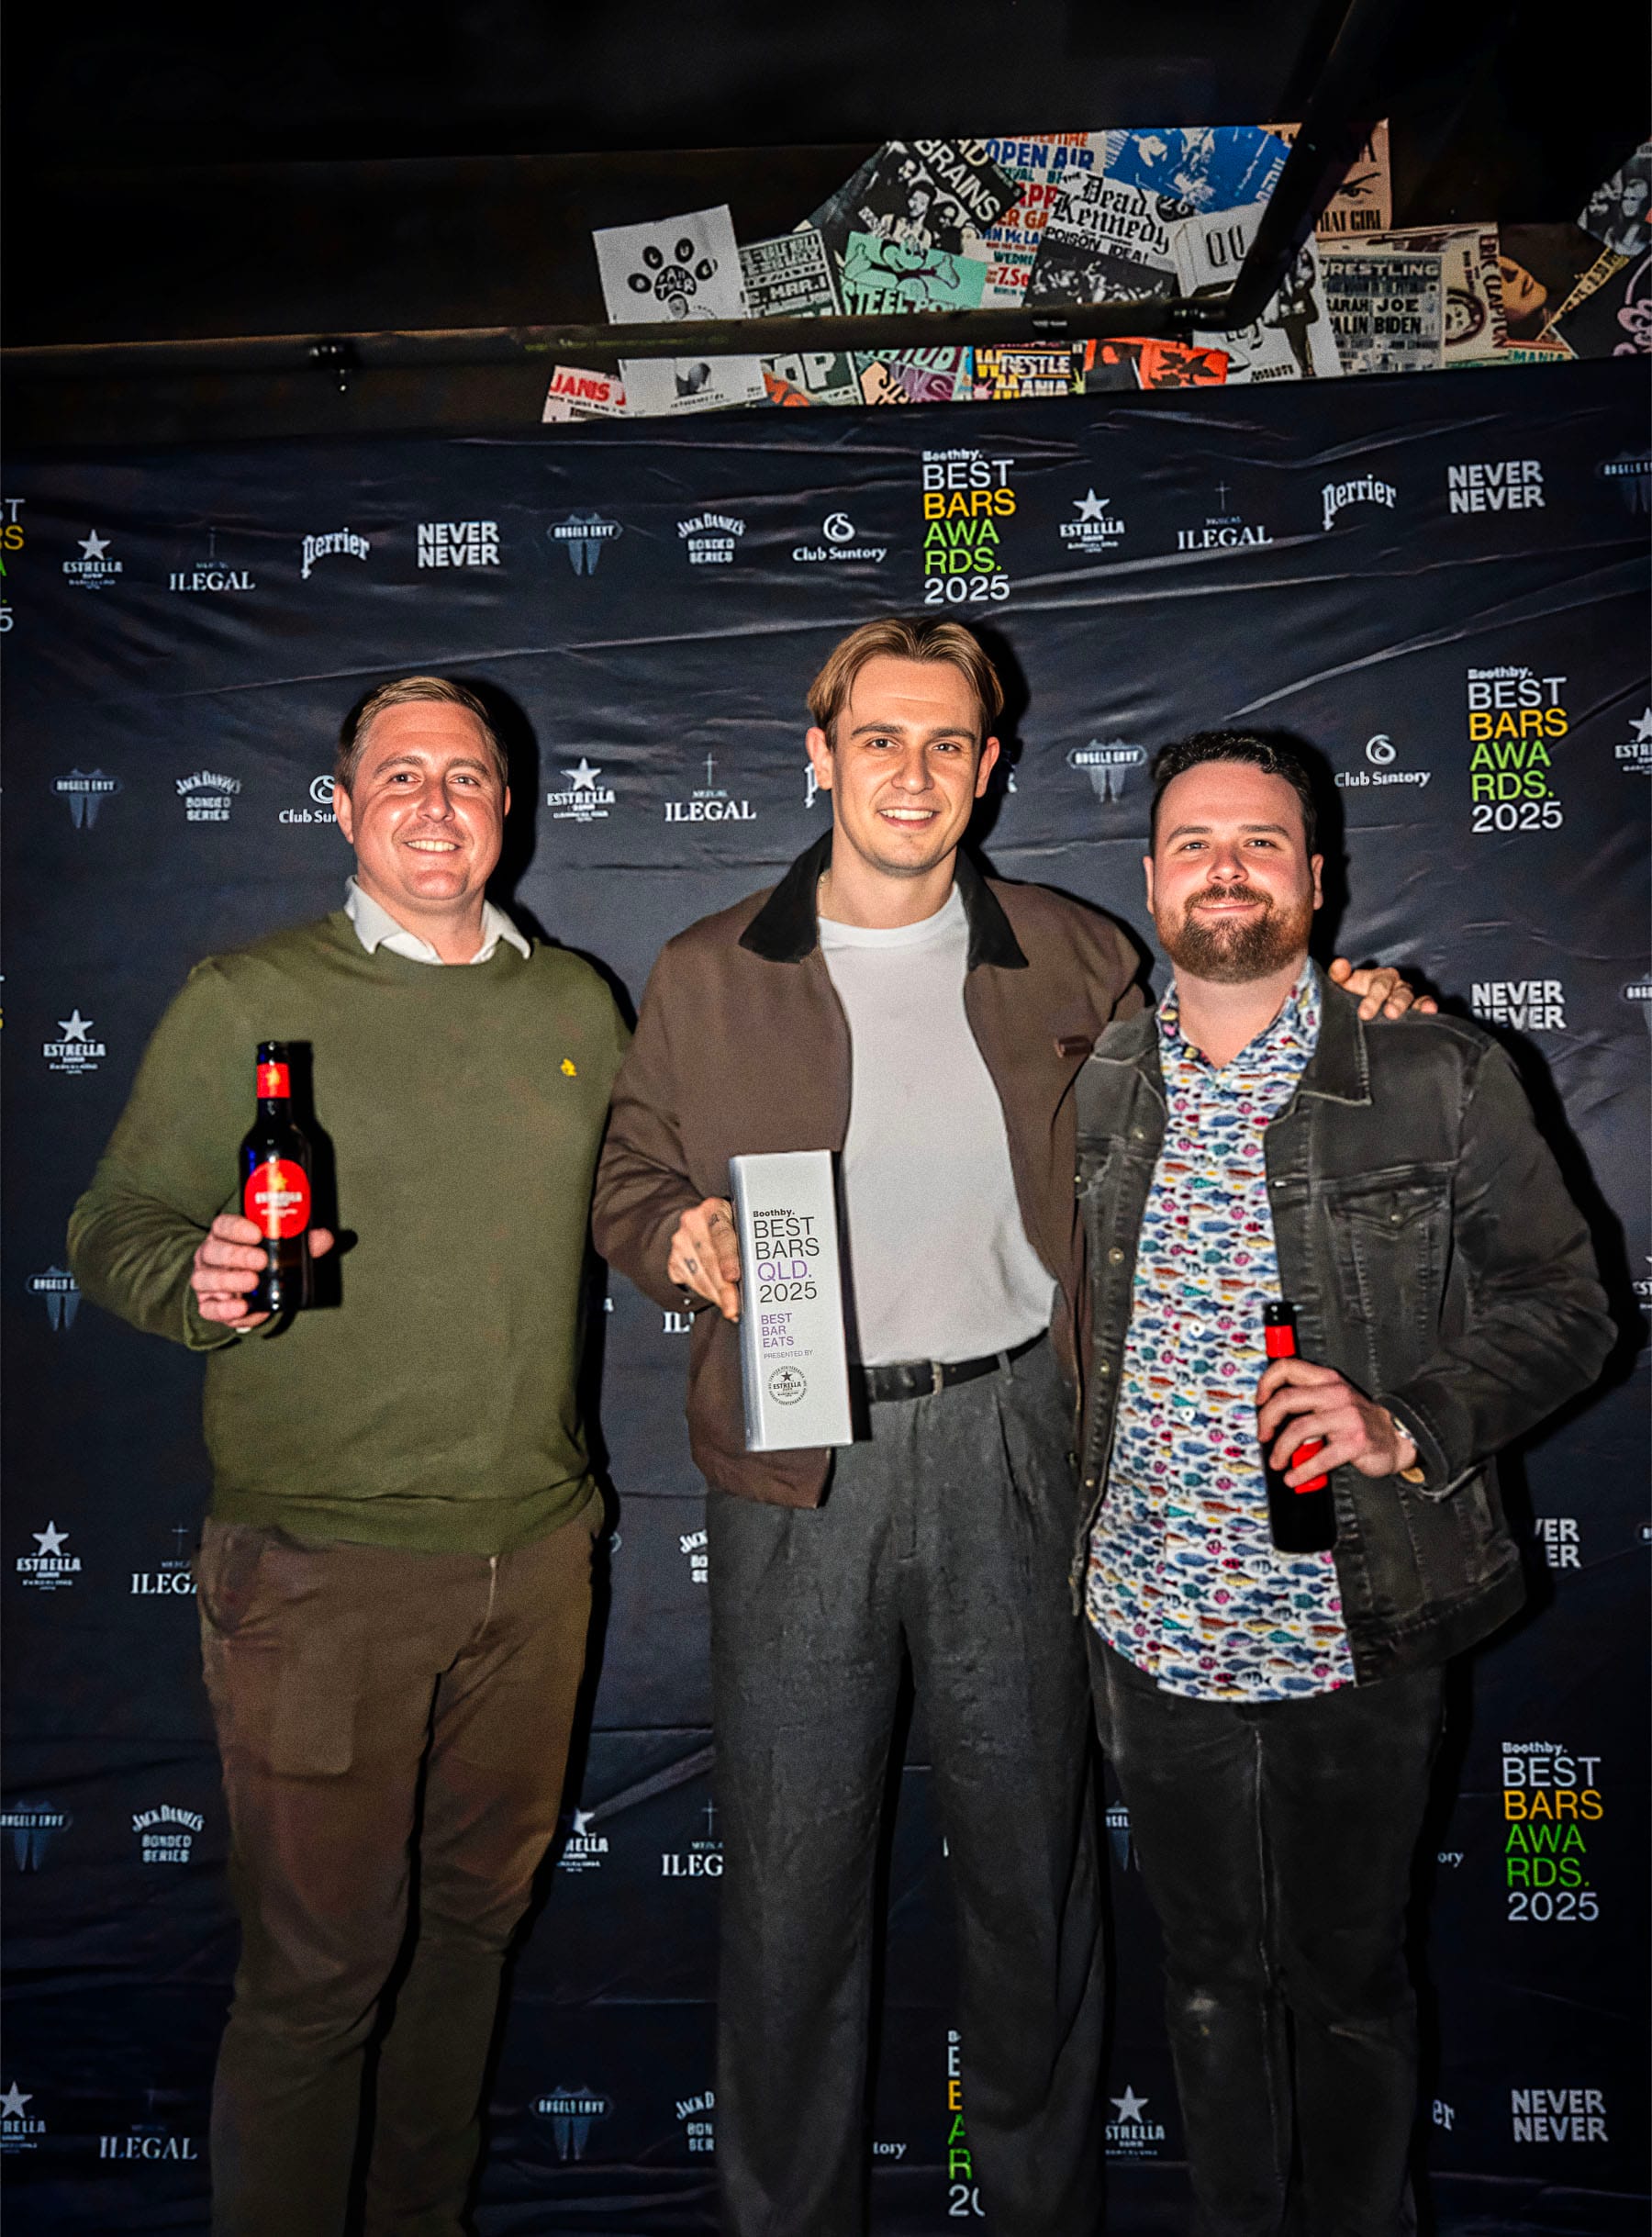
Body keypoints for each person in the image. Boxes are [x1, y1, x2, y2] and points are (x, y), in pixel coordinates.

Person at [591, 621, 1421, 2236]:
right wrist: (669, 1230)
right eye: (880, 738)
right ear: (816, 753)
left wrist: (1353, 1003)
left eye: (949, 743)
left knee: (1032, 1884)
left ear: (991, 767)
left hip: (1021, 1450)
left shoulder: (1069, 949)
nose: (914, 771)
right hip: (798, 1468)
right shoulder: (708, 968)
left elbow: (1230, 1038)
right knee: (786, 1895)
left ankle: (1042, 2211)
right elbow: (627, 1166)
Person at [68, 676, 629, 2237]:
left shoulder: (578, 1003)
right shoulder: (247, 994)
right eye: (400, 776)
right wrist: (190, 1278)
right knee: (316, 1977)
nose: (436, 803)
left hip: (538, 1562)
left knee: (466, 1945)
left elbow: (633, 1202)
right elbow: (109, 1224)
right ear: (341, 807)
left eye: (468, 775)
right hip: (317, 1569)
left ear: (511, 805)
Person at [1076, 731, 1613, 2236]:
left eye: (1260, 841)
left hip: (1354, 1622)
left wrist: (1406, 1420)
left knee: (1353, 1982)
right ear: (1150, 877)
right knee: (1200, 1979)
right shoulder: (1106, 1076)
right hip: (1147, 1626)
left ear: (1319, 877)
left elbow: (1569, 1306)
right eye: (1193, 842)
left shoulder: (1439, 1069)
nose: (1225, 866)